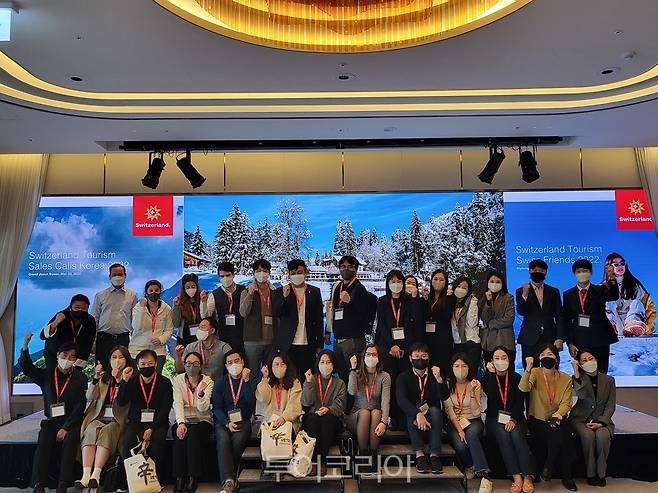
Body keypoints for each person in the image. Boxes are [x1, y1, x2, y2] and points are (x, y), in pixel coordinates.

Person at [20, 334, 87, 493]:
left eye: (72, 357)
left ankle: (63, 483)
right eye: (64, 355)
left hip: (71, 421)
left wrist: (66, 427)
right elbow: (27, 368)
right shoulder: (47, 374)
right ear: (58, 355)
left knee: (70, 442)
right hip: (51, 420)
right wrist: (25, 345)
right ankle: (38, 484)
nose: (67, 359)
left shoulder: (80, 377)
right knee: (43, 442)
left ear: (75, 360)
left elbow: (80, 405)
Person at [519, 344, 576, 491]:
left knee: (562, 433)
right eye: (543, 354)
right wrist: (528, 368)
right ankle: (561, 474)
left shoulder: (565, 378)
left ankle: (551, 469)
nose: (546, 357)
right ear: (539, 358)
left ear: (556, 358)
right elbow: (523, 388)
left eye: (550, 354)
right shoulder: (535, 372)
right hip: (537, 419)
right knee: (559, 433)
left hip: (557, 417)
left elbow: (566, 403)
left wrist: (558, 415)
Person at [76, 346, 132, 490]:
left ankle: (96, 474)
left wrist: (119, 380)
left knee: (107, 431)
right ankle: (86, 475)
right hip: (100, 415)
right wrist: (95, 377)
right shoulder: (104, 377)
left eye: (121, 357)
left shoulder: (131, 376)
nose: (117, 360)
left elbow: (123, 401)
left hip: (118, 418)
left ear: (127, 360)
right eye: (114, 357)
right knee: (91, 429)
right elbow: (90, 396)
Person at [117, 349, 173, 489]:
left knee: (158, 442)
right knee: (128, 442)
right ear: (137, 366)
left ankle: (156, 481)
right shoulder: (132, 381)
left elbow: (165, 409)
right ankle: (129, 481)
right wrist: (124, 381)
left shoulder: (165, 382)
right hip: (136, 422)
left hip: (157, 423)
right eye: (143, 364)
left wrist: (152, 428)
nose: (146, 367)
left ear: (156, 364)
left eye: (150, 363)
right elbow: (121, 402)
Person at [375, 269, 423, 428]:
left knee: (404, 382)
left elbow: (416, 321)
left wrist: (415, 298)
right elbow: (382, 327)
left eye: (399, 281)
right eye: (393, 281)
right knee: (391, 383)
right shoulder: (382, 301)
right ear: (388, 284)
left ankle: (406, 416)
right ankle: (392, 417)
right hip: (387, 348)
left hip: (406, 348)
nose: (396, 284)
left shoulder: (409, 300)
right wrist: (392, 345)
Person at [482, 346, 534, 493]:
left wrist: (513, 420)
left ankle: (528, 476)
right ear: (491, 361)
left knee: (517, 435)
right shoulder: (488, 378)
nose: (500, 361)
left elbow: (520, 403)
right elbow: (490, 394)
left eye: (504, 357)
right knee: (504, 435)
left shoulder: (516, 377)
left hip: (516, 418)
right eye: (497, 358)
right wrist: (491, 374)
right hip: (494, 419)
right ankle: (516, 476)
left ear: (509, 360)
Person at [395, 343, 448, 475]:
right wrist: (417, 413)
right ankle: (419, 455)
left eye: (423, 356)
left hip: (431, 415)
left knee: (435, 411)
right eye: (416, 356)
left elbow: (444, 396)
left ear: (429, 358)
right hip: (411, 417)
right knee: (411, 413)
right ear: (410, 358)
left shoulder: (435, 374)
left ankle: (434, 455)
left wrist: (439, 380)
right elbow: (401, 400)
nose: (420, 359)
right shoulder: (403, 376)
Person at [444, 354, 492, 493]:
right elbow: (449, 410)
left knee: (471, 435)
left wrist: (471, 392)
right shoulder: (447, 384)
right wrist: (460, 430)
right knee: (460, 445)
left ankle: (485, 475)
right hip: (455, 421)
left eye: (464, 366)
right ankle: (470, 465)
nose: (460, 369)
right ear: (452, 367)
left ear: (469, 368)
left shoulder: (475, 384)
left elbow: (476, 412)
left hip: (473, 420)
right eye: (457, 366)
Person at [213, 350, 259, 493]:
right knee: (223, 439)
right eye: (230, 362)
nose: (233, 364)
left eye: (236, 361)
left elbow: (251, 404)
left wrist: (246, 381)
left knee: (237, 440)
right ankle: (230, 480)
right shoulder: (220, 382)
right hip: (224, 421)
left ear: (243, 362)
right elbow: (217, 408)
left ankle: (230, 480)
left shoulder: (251, 380)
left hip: (243, 420)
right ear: (226, 366)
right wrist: (227, 422)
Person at [562, 259, 619, 373]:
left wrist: (612, 278)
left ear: (591, 272)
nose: (582, 273)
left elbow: (614, 295)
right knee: (583, 374)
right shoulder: (568, 294)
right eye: (579, 271)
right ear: (574, 274)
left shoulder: (600, 290)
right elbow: (566, 319)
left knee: (601, 372)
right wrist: (570, 343)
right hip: (579, 340)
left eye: (585, 271)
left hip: (600, 339)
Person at [570, 349, 616, 487]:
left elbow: (610, 405)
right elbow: (582, 395)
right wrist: (576, 373)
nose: (589, 362)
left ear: (596, 359)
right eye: (584, 360)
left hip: (601, 419)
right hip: (580, 419)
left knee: (602, 436)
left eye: (591, 358)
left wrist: (602, 422)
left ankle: (601, 473)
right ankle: (590, 473)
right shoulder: (578, 378)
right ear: (580, 364)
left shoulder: (609, 380)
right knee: (588, 435)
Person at [326, 256, 375, 382]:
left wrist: (351, 302)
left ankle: (354, 396)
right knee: (341, 373)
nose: (346, 269)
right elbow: (332, 310)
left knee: (354, 373)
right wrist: (328, 331)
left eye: (350, 267)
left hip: (353, 339)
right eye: (343, 266)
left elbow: (365, 314)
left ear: (356, 269)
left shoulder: (359, 288)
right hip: (338, 338)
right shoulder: (337, 287)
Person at [172, 351, 215, 493]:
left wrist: (201, 394)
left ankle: (193, 478)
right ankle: (179, 478)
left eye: (196, 364)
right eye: (188, 363)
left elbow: (203, 408)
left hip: (203, 420)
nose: (192, 367)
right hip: (184, 419)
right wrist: (181, 423)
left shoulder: (208, 382)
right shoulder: (178, 380)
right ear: (184, 365)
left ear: (200, 366)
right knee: (180, 435)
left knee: (193, 435)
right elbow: (178, 402)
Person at [273, 259, 324, 376]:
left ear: (305, 273)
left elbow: (319, 319)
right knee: (289, 377)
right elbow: (277, 313)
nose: (296, 275)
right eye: (293, 273)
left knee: (307, 377)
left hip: (308, 343)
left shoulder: (314, 292)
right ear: (289, 274)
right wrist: (284, 297)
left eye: (300, 272)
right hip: (288, 344)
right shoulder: (281, 291)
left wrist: (319, 344)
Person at [301, 350, 347, 475]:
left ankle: (321, 461)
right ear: (318, 364)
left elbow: (341, 405)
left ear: (333, 364)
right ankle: (313, 461)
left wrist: (329, 409)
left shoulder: (340, 383)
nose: (325, 365)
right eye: (322, 362)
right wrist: (308, 383)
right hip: (313, 417)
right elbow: (306, 402)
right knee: (314, 419)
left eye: (328, 362)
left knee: (326, 419)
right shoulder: (312, 379)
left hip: (332, 418)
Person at [346, 345, 390, 467]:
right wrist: (353, 369)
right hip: (357, 416)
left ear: (379, 358)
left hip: (376, 418)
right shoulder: (357, 373)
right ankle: (363, 453)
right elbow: (351, 391)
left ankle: (373, 453)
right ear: (363, 357)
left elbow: (385, 401)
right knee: (365, 412)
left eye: (374, 354)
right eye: (368, 354)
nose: (371, 357)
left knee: (376, 412)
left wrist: (384, 422)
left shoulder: (384, 376)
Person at [516, 259, 565, 366]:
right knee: (530, 370)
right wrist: (525, 295)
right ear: (530, 271)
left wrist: (560, 337)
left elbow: (559, 316)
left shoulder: (553, 291)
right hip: (529, 338)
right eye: (535, 270)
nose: (538, 273)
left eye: (541, 271)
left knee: (551, 369)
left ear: (546, 272)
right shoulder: (521, 291)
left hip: (550, 337)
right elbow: (520, 311)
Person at [92, 263, 138, 369]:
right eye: (114, 274)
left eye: (120, 274)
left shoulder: (132, 295)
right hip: (103, 339)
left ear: (125, 276)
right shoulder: (100, 295)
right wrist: (92, 342)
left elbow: (135, 319)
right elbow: (94, 319)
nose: (117, 277)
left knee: (123, 369)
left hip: (123, 339)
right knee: (102, 369)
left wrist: (134, 342)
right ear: (109, 276)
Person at [603, 252, 656, 337]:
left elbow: (649, 307)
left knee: (636, 303)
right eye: (616, 264)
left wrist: (648, 328)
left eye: (622, 263)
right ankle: (609, 328)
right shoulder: (602, 288)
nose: (620, 266)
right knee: (607, 304)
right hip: (615, 323)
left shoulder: (635, 285)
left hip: (631, 323)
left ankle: (633, 327)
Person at [40, 294, 96, 370]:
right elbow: (43, 336)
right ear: (70, 307)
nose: (80, 310)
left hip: (74, 357)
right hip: (54, 354)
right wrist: (56, 322)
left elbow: (88, 344)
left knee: (74, 376)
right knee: (54, 375)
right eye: (77, 307)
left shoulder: (90, 320)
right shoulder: (62, 315)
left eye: (84, 309)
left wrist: (79, 366)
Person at [200, 261, 246, 354]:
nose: (225, 278)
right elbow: (206, 316)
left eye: (228, 275)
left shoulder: (243, 290)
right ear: (219, 277)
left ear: (233, 275)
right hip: (222, 336)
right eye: (222, 276)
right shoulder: (214, 294)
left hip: (241, 335)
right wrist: (204, 302)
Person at [129, 280, 174, 373]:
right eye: (151, 290)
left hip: (158, 350)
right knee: (137, 378)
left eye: (156, 290)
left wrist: (161, 339)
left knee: (156, 377)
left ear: (160, 292)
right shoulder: (138, 308)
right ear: (146, 293)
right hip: (137, 349)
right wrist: (142, 308)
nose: (154, 292)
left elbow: (169, 329)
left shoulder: (166, 309)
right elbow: (136, 326)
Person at [240, 259, 276, 371]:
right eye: (258, 271)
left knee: (270, 373)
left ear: (269, 273)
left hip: (271, 340)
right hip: (252, 340)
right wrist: (250, 294)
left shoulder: (275, 291)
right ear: (254, 273)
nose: (262, 273)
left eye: (264, 270)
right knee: (252, 373)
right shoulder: (246, 291)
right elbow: (243, 312)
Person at [255, 351, 303, 431]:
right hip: (270, 420)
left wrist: (284, 418)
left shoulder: (295, 382)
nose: (279, 367)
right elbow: (264, 399)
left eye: (282, 364)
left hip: (288, 421)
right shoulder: (267, 381)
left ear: (287, 366)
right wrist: (265, 378)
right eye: (276, 364)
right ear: (270, 367)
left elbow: (294, 404)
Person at [175, 317, 232, 381]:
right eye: (199, 327)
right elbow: (180, 371)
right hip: (195, 383)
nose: (199, 330)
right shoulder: (191, 347)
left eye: (202, 327)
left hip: (216, 383)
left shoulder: (224, 347)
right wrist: (178, 356)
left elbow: (232, 367)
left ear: (212, 330)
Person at [424, 269, 455, 376]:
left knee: (442, 370)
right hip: (427, 339)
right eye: (435, 279)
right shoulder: (427, 297)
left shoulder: (449, 298)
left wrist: (447, 298)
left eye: (441, 280)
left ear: (446, 282)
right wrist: (424, 300)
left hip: (443, 340)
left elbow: (446, 316)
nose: (438, 282)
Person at [480, 270, 516, 363]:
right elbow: (484, 318)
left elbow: (509, 319)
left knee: (507, 369)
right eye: (492, 281)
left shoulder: (508, 297)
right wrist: (488, 302)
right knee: (490, 369)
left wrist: (491, 324)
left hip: (504, 341)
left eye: (497, 282)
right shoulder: (484, 298)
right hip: (488, 343)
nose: (494, 284)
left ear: (502, 283)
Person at [450, 276, 482, 371]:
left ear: (468, 290)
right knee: (458, 374)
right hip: (457, 343)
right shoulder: (451, 302)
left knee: (470, 373)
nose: (461, 289)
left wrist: (473, 304)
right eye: (459, 286)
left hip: (470, 342)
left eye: (464, 288)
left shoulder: (471, 302)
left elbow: (472, 323)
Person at [172, 273, 203, 346]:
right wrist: (176, 307)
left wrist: (204, 302)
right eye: (187, 287)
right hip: (184, 339)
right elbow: (176, 324)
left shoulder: (203, 299)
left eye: (193, 287)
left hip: (201, 337)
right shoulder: (179, 301)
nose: (190, 289)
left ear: (197, 287)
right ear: (184, 289)